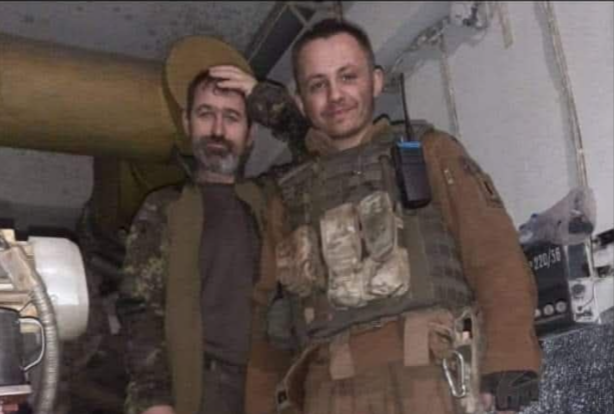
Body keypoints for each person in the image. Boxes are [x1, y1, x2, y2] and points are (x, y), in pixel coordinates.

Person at [266, 18, 542, 414]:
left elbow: (494, 255)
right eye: (317, 84)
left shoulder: (430, 152)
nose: (335, 95)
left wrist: (509, 357)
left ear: (376, 81)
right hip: (327, 394)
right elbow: (267, 320)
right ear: (300, 101)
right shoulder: (286, 197)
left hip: (430, 378)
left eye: (348, 76)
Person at [117, 37, 295, 414]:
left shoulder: (275, 198)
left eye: (232, 117)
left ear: (250, 134)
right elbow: (140, 311)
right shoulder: (163, 209)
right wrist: (153, 401)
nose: (217, 130)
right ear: (188, 123)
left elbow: (321, 145)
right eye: (205, 114)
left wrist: (264, 98)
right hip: (196, 392)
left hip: (273, 389)